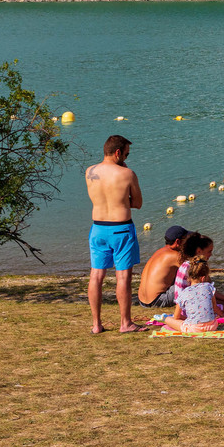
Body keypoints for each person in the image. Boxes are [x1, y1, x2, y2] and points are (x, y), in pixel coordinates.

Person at [87, 134, 144, 334]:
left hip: (98, 228)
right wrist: (121, 199)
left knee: (96, 275)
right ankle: (125, 323)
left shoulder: (90, 171)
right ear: (118, 152)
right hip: (121, 229)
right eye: (126, 154)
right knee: (123, 277)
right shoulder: (127, 174)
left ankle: (96, 324)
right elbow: (137, 203)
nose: (127, 159)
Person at [173, 233, 224, 316]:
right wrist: (223, 314)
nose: (211, 254)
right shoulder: (196, 268)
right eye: (209, 251)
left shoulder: (186, 264)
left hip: (185, 305)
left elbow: (210, 291)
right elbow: (208, 294)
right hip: (192, 307)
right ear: (199, 251)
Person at [160, 258, 221, 334]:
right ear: (203, 278)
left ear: (189, 277)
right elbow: (214, 307)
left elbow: (176, 317)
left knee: (168, 319)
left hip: (194, 329)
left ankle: (165, 318)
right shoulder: (208, 287)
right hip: (212, 326)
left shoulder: (184, 292)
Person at [136, 225, 188, 309]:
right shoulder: (175, 255)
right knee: (191, 281)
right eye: (186, 240)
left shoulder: (160, 252)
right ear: (178, 242)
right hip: (157, 301)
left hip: (143, 301)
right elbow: (197, 274)